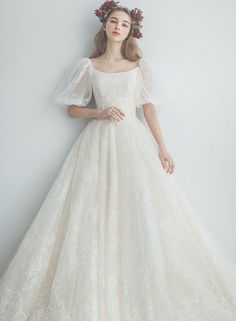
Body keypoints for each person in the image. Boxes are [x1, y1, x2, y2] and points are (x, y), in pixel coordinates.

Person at [0, 1, 236, 320]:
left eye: (124, 24)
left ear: (130, 32)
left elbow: (148, 108)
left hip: (131, 141)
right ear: (105, 25)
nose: (118, 27)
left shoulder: (140, 67)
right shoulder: (89, 65)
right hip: (97, 142)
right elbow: (72, 108)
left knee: (141, 206)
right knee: (89, 207)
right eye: (114, 21)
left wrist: (162, 148)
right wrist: (99, 112)